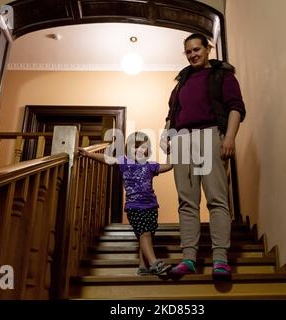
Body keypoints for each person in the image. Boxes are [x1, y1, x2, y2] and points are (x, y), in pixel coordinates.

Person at [160, 33, 246, 277]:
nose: (193, 54)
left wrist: (229, 137)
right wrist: (167, 135)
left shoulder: (223, 75)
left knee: (217, 199)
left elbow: (236, 108)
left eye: (197, 49)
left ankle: (220, 259)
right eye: (188, 52)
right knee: (186, 202)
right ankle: (188, 258)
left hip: (210, 135)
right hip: (181, 141)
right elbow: (172, 113)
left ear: (208, 49)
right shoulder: (182, 82)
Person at [79, 132, 173, 275]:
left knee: (145, 235)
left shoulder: (150, 166)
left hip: (151, 206)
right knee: (145, 233)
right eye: (136, 147)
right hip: (135, 207)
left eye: (143, 147)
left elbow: (169, 166)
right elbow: (106, 158)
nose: (140, 150)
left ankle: (143, 266)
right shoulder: (124, 162)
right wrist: (88, 154)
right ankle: (155, 263)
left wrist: (168, 152)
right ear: (128, 149)